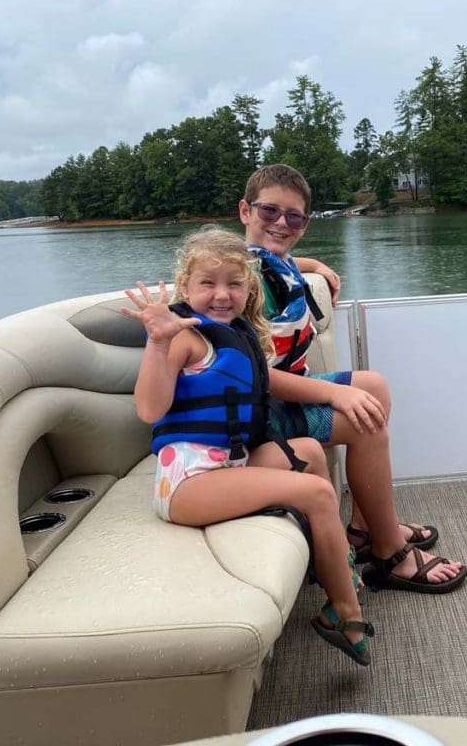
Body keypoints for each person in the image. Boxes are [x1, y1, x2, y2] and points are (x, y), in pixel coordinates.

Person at [121, 226, 374, 665]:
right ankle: (343, 612)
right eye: (208, 283)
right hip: (187, 482)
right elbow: (149, 408)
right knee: (315, 492)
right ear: (185, 287)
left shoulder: (237, 332)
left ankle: (334, 558)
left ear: (248, 288)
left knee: (311, 453)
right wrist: (157, 344)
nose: (222, 295)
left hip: (231, 463)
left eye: (234, 283)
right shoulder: (181, 337)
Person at [238, 164, 467, 594]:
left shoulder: (268, 263)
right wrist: (334, 394)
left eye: (295, 217)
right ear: (245, 211)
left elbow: (272, 255)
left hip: (281, 398)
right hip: (258, 419)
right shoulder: (237, 285)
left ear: (305, 224)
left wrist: (314, 264)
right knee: (368, 420)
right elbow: (257, 378)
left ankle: (363, 526)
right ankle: (389, 554)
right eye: (270, 212)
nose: (282, 223)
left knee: (373, 385)